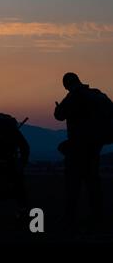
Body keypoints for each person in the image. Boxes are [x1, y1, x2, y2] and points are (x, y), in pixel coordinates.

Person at [55, 72, 113, 231]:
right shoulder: (96, 95)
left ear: (66, 84)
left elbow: (59, 115)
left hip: (77, 146)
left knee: (73, 183)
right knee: (93, 181)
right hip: (94, 145)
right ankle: (97, 217)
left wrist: (60, 108)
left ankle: (70, 218)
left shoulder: (74, 97)